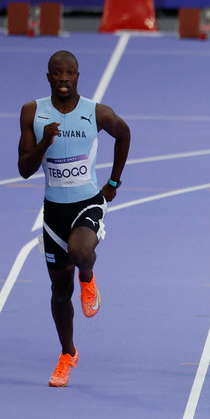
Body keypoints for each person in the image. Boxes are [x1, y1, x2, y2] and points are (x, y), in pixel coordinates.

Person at [17, 50, 130, 387]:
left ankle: (89, 276)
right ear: (48, 77)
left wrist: (113, 182)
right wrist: (45, 141)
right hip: (53, 211)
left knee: (81, 250)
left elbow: (124, 134)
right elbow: (24, 169)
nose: (63, 78)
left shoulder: (95, 113)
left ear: (78, 76)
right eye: (57, 73)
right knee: (58, 291)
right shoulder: (33, 113)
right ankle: (67, 354)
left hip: (88, 204)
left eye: (70, 73)